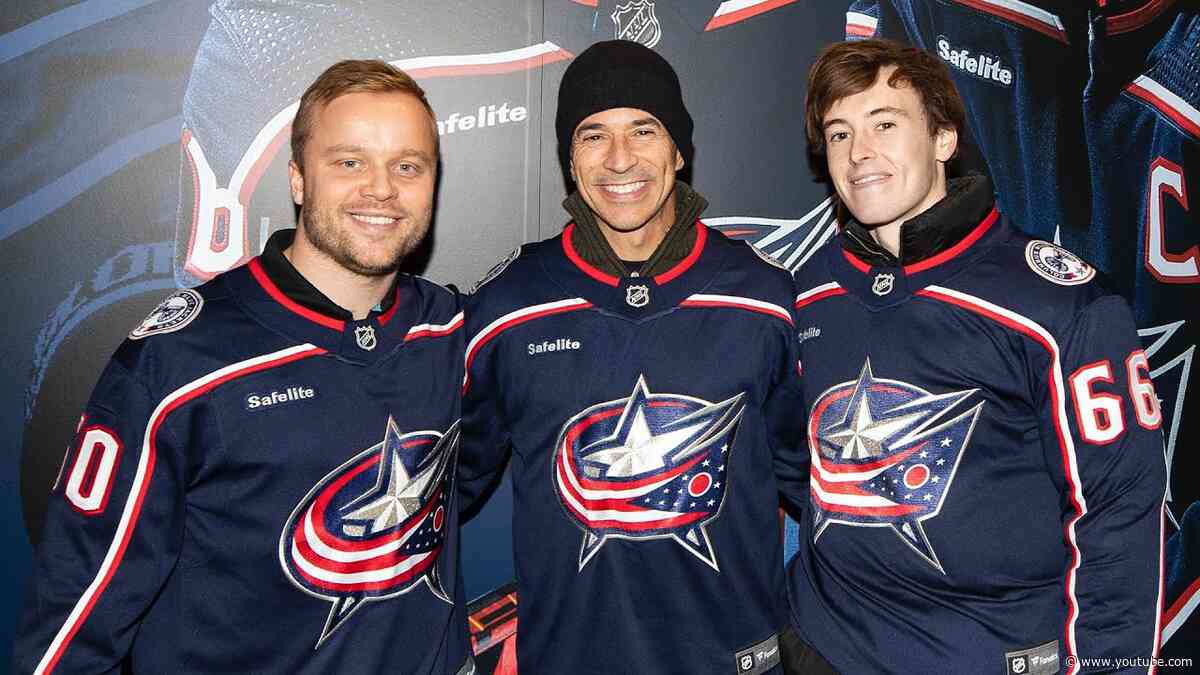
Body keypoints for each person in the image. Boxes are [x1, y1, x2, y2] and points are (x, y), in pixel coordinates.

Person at [13, 60, 472, 675]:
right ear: (299, 180)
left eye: (408, 166)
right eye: (349, 161)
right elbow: (72, 622)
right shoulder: (180, 362)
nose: (382, 189)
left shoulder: (451, 331)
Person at [784, 38, 1168, 674]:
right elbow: (793, 458)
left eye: (885, 124)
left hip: (981, 655)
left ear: (943, 139)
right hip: (822, 643)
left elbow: (1122, 508)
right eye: (839, 133)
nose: (860, 155)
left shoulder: (1060, 306)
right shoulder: (809, 289)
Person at [459, 39, 810, 675]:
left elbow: (826, 497)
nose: (620, 159)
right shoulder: (507, 306)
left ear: (679, 149)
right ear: (570, 158)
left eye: (643, 130)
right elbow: (439, 491)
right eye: (593, 135)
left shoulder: (765, 297)